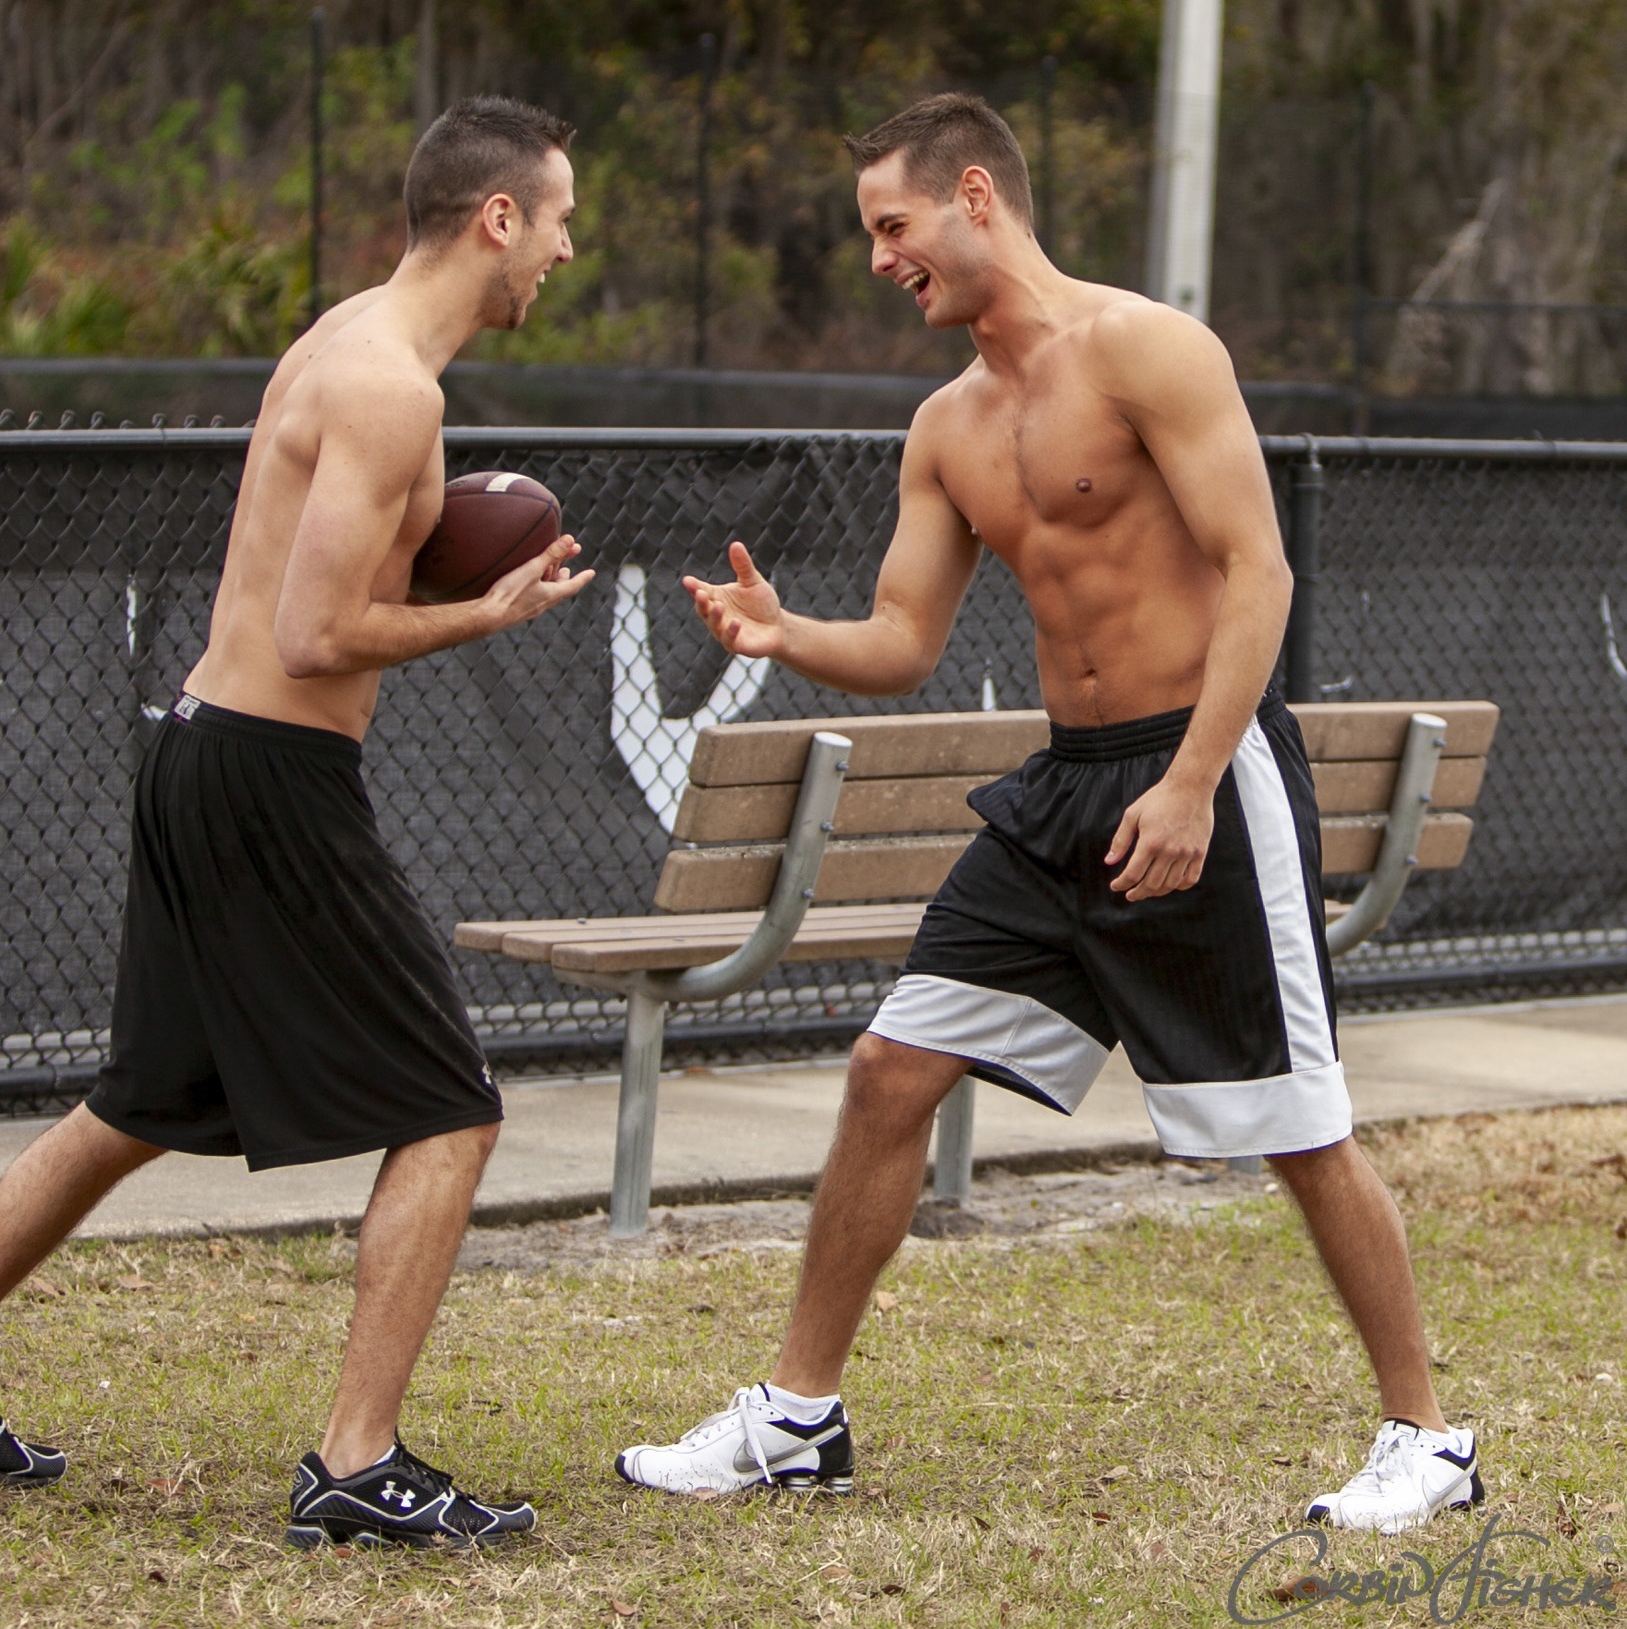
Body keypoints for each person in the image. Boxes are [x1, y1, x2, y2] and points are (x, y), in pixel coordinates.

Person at [615, 94, 1481, 1538]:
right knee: (890, 1068)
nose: (881, 259)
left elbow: (1257, 571)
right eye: (871, 236)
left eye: (893, 225)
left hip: (1204, 769)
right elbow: (904, 638)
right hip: (1063, 791)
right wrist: (785, 634)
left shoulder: (1148, 349)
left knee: (1299, 1124)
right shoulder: (946, 426)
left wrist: (1192, 780)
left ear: (975, 195)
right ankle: (798, 1417)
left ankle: (1429, 1437)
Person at [0, 96, 592, 1552]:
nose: (563, 250)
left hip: (206, 747)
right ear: (498, 217)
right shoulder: (390, 386)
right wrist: (482, 613)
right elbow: (316, 635)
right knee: (453, 1109)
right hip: (267, 773)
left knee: (138, 1104)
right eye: (557, 221)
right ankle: (357, 1463)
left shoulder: (345, 339)